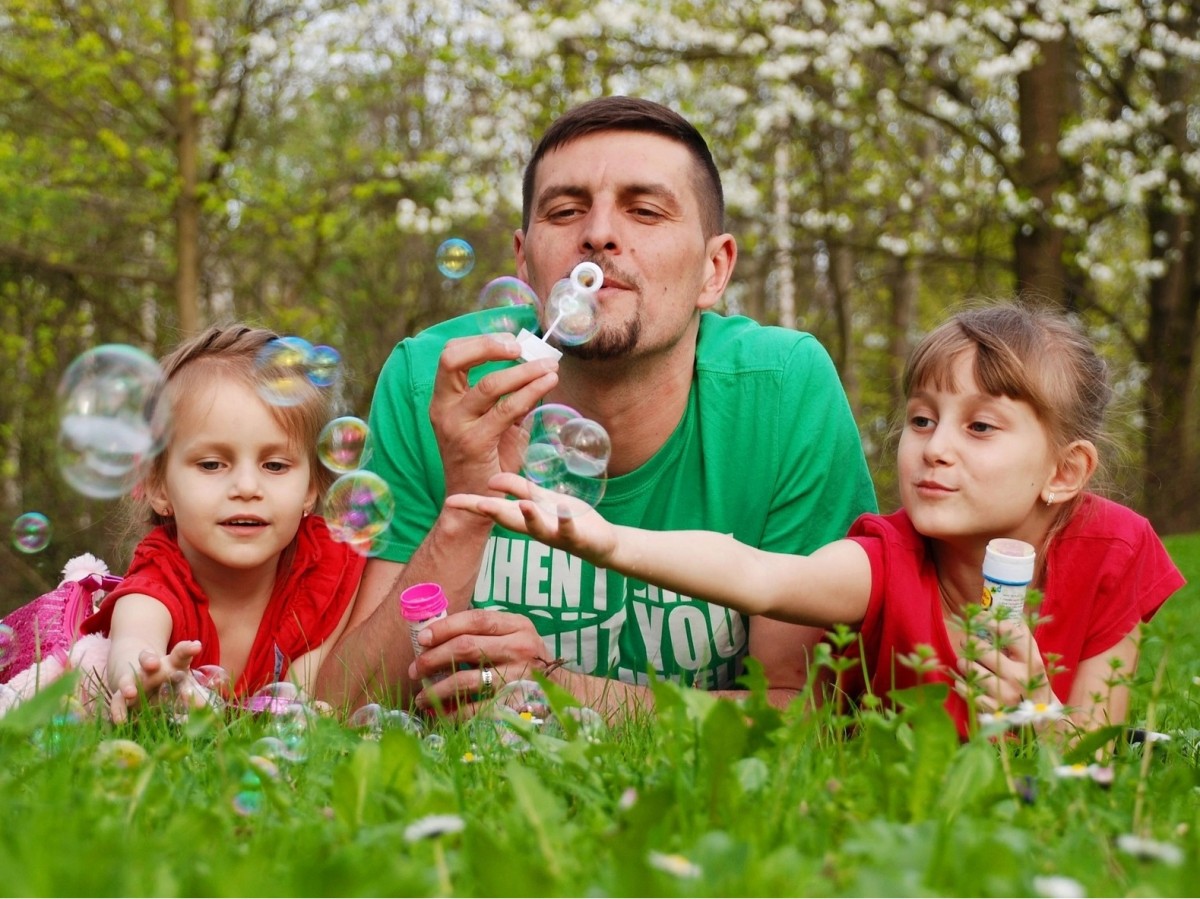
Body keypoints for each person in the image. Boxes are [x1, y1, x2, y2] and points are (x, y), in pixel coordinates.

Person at [315, 96, 877, 717]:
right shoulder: (438, 381)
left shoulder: (781, 390)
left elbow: (805, 712)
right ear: (525, 262)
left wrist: (559, 691)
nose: (599, 233)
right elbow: (343, 706)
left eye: (644, 210)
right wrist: (468, 509)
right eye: (565, 210)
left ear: (714, 272)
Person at [448, 302, 1186, 735]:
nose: (935, 449)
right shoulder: (888, 560)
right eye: (923, 420)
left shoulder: (1114, 551)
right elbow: (760, 574)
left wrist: (1036, 714)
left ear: (1065, 472)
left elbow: (1091, 760)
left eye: (980, 428)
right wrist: (609, 539)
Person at [80, 324, 366, 722]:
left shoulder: (327, 565)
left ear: (311, 489)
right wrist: (142, 678)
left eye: (275, 465)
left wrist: (300, 709)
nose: (247, 487)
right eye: (211, 464)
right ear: (160, 486)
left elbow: (306, 691)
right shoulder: (161, 574)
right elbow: (134, 638)